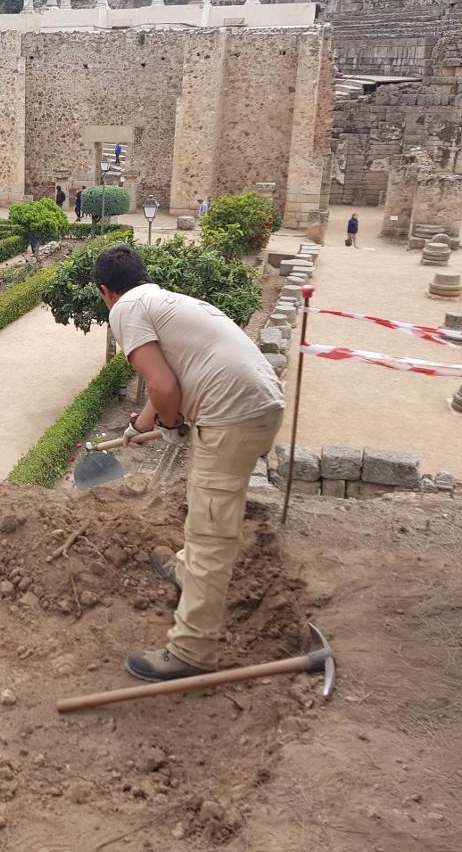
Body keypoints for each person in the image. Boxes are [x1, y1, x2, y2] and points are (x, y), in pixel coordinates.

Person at [94, 243, 285, 682]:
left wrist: (167, 419)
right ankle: (186, 570)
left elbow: (162, 388)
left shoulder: (123, 309)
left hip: (232, 413)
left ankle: (192, 649)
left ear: (106, 291)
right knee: (207, 507)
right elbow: (170, 386)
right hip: (257, 403)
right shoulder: (164, 299)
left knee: (210, 528)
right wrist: (144, 424)